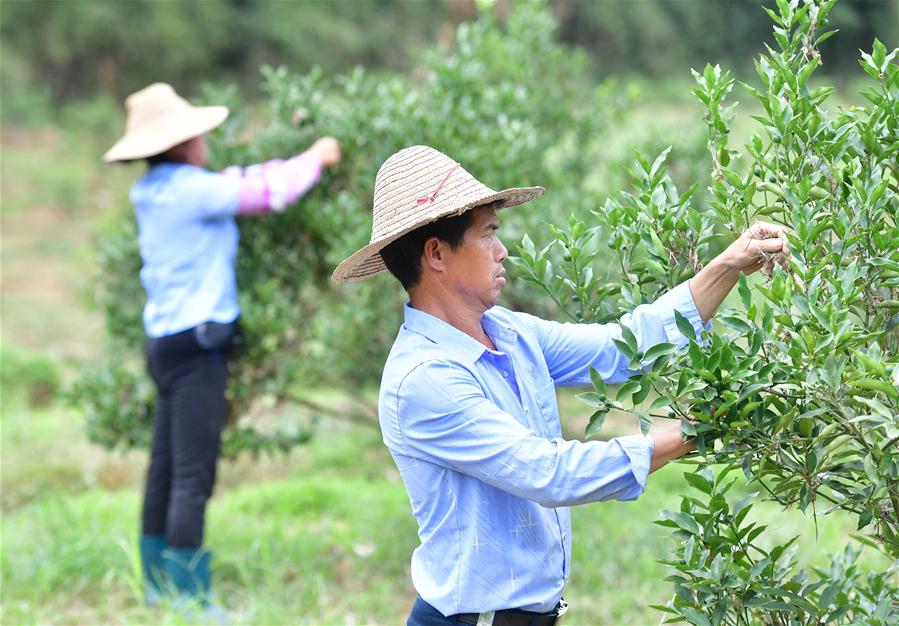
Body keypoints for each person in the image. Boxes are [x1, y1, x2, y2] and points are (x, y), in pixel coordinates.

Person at [332, 145, 789, 625]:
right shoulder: (424, 379)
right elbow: (547, 472)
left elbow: (622, 349)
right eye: (488, 235)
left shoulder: (510, 333)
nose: (502, 251)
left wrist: (727, 266)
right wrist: (695, 430)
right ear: (436, 254)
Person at [104, 82, 341, 610]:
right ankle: (190, 600)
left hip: (165, 345)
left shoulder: (154, 191)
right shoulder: (192, 191)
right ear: (183, 143)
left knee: (165, 468)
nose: (206, 141)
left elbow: (236, 182)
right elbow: (269, 193)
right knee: (193, 476)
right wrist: (316, 157)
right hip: (198, 349)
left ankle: (156, 586)